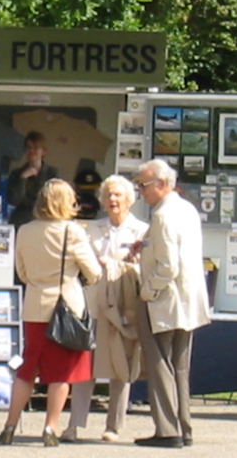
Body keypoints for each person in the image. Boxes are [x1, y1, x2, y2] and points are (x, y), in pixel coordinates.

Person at [0, 178, 101, 447]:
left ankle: (9, 426)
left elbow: (21, 272)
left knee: (27, 369)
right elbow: (94, 272)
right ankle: (50, 429)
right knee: (61, 373)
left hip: (34, 306)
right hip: (65, 307)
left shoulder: (25, 230)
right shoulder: (73, 231)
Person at [60, 175, 148, 443]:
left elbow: (146, 267)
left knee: (121, 366)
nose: (112, 200)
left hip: (125, 307)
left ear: (129, 200)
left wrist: (127, 262)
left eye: (118, 195)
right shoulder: (91, 229)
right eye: (108, 195)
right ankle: (74, 425)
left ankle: (114, 427)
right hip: (94, 305)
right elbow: (82, 265)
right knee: (84, 365)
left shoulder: (143, 231)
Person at [132, 159, 211, 448]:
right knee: (179, 367)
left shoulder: (163, 215)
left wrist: (147, 292)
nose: (141, 191)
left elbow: (167, 267)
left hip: (164, 301)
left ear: (162, 184)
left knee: (160, 364)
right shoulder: (186, 209)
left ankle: (167, 430)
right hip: (187, 301)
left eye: (144, 185)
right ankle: (183, 427)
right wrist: (145, 246)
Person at [7, 131, 57, 229]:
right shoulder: (16, 174)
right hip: (21, 222)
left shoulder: (53, 173)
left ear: (43, 151)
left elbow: (54, 200)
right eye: (28, 147)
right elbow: (14, 200)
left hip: (45, 222)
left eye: (36, 147)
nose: (32, 150)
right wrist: (23, 178)